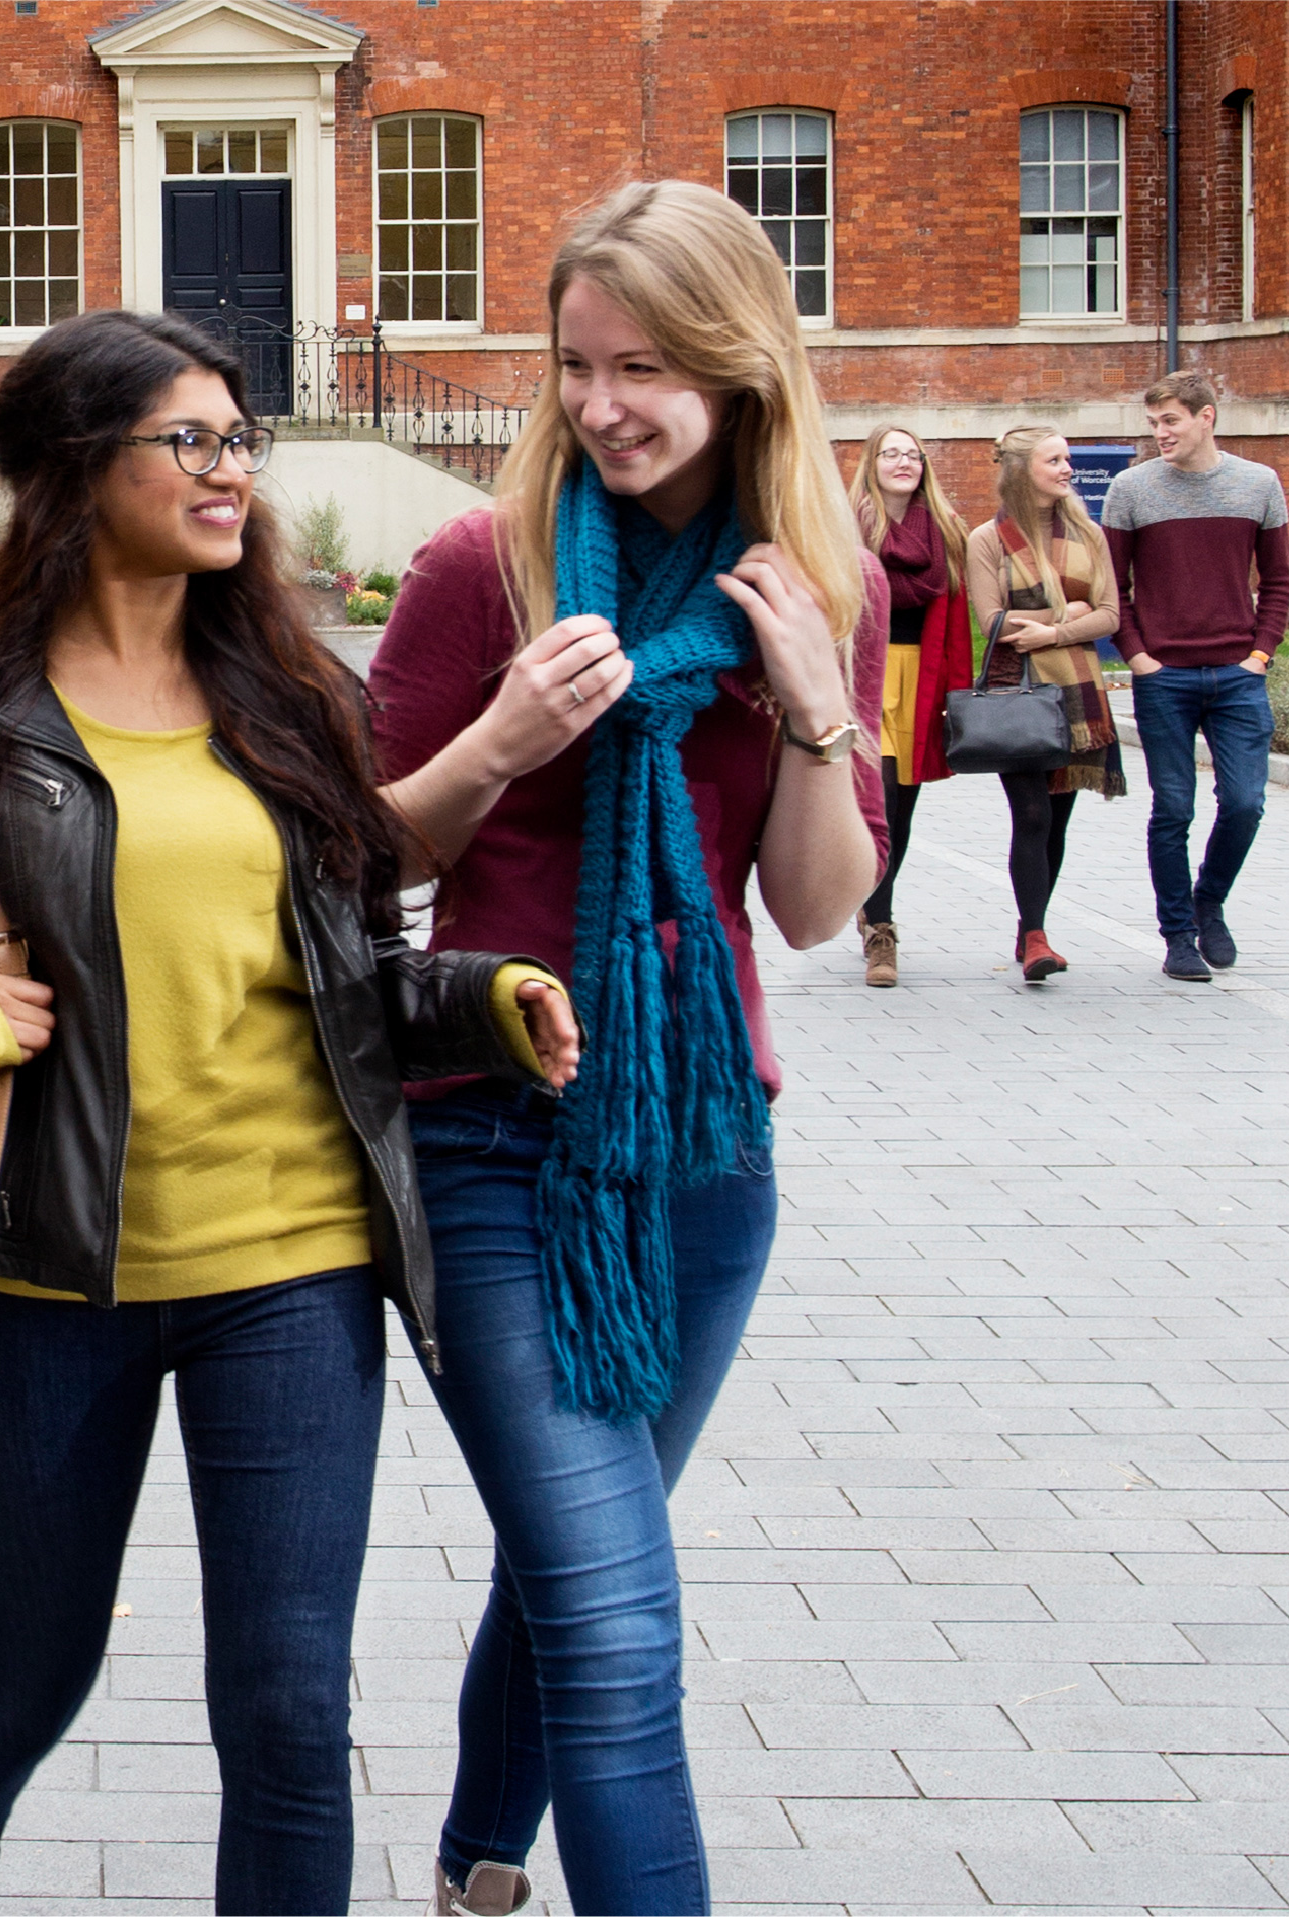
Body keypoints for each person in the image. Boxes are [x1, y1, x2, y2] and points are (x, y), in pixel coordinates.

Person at [0, 309, 578, 1917]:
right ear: (67, 470)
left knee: (285, 1706)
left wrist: (480, 996)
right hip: (48, 1273)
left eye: (237, 438)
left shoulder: (291, 693)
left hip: (295, 1266)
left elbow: (345, 966)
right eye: (187, 439)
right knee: (31, 1668)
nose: (229, 467)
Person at [370, 180, 888, 1917]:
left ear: (743, 369)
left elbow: (814, 913)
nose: (601, 406)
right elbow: (366, 861)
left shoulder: (804, 590)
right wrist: (506, 736)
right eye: (578, 364)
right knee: (613, 1606)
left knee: (569, 1571)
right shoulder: (482, 570)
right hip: (495, 1144)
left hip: (699, 1156)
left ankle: (474, 1865)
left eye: (646, 367)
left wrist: (816, 707)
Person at [1104, 370, 1289, 981]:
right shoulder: (1131, 490)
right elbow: (1114, 587)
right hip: (1164, 677)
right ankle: (1179, 934)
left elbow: (1279, 581)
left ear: (1205, 416)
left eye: (1170, 421)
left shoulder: (1258, 484)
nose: (1160, 433)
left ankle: (1208, 899)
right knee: (1174, 809)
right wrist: (1137, 655)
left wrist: (1260, 654)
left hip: (1238, 674)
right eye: (1154, 423)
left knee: (1244, 803)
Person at [965, 426, 1125, 984]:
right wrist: (1070, 615)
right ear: (1020, 469)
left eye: (1067, 459)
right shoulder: (988, 538)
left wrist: (1052, 632)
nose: (1067, 469)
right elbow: (993, 621)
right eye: (1054, 459)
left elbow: (1110, 614)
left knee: (1056, 821)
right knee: (1030, 813)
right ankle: (1036, 938)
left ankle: (1031, 921)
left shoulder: (1089, 533)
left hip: (1077, 689)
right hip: (1019, 691)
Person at [847, 423, 972, 986]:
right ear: (871, 463)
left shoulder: (946, 530)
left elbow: (958, 619)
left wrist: (960, 691)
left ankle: (871, 902)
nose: (904, 462)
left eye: (913, 454)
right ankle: (881, 930)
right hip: (865, 679)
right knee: (883, 802)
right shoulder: (846, 528)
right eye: (891, 453)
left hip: (921, 678)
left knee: (904, 809)